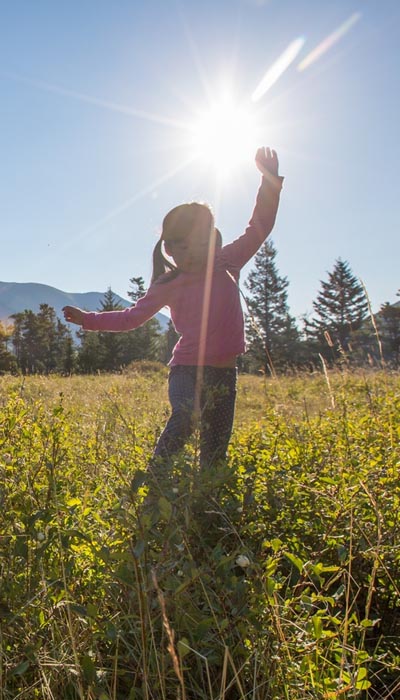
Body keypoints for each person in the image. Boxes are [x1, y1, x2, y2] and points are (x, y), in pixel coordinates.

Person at [63, 147, 284, 478]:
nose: (189, 251)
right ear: (168, 248)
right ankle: (155, 478)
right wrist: (88, 320)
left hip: (225, 374)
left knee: (214, 451)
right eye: (179, 246)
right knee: (185, 415)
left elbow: (260, 226)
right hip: (185, 371)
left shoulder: (228, 261)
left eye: (197, 242)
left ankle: (206, 506)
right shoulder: (169, 282)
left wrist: (269, 181)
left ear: (211, 239)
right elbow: (131, 318)